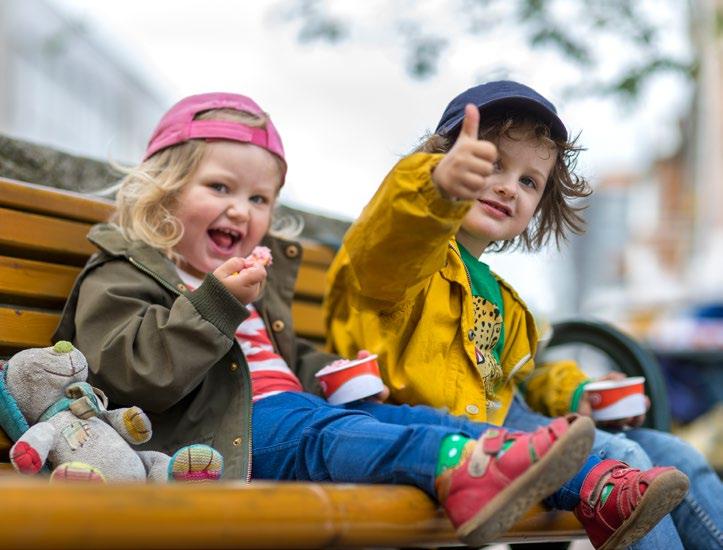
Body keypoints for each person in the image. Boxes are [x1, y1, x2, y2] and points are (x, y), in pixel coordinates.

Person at [54, 92, 683, 549]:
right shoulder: (127, 272)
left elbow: (279, 363)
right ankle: (476, 474)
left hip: (293, 411)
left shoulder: (247, 280)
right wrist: (217, 303)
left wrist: (332, 373)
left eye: (259, 199)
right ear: (163, 189)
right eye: (220, 188)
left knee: (418, 422)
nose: (242, 211)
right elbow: (133, 374)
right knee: (348, 437)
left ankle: (597, 489)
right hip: (228, 435)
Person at [324, 80, 722, 549]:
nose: (508, 186)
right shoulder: (402, 261)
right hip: (433, 438)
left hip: (508, 428)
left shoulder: (505, 300)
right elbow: (393, 233)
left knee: (672, 453)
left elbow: (520, 380)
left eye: (529, 181)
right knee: (624, 459)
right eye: (491, 163)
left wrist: (577, 394)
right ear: (446, 159)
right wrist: (434, 187)